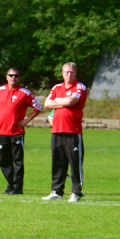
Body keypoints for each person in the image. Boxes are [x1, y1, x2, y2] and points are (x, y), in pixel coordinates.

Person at [0, 68, 42, 194]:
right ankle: (10, 185)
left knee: (18, 161)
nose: (13, 77)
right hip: (2, 132)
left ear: (20, 78)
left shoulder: (25, 93)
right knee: (4, 161)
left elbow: (38, 106)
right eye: (11, 75)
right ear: (6, 77)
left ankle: (18, 187)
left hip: (17, 132)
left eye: (16, 75)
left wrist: (27, 120)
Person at [42, 62, 88, 203]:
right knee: (58, 162)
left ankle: (76, 193)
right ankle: (57, 191)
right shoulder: (57, 87)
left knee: (75, 163)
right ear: (62, 73)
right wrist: (63, 102)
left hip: (72, 131)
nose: (69, 75)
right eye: (67, 72)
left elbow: (70, 101)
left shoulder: (80, 87)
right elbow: (47, 104)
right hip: (56, 130)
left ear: (76, 73)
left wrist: (57, 101)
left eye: (72, 72)